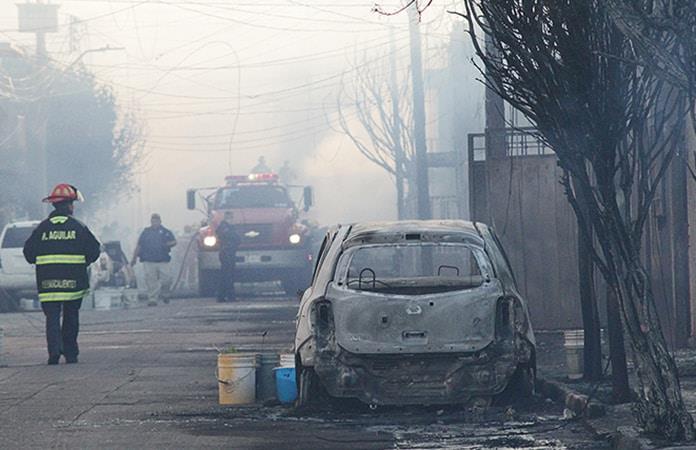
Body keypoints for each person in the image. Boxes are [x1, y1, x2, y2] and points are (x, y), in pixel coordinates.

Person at [23, 184, 101, 365]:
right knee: (71, 316)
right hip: (73, 283)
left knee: (51, 317)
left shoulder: (41, 228)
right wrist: (83, 261)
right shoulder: (79, 227)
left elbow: (28, 253)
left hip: (48, 283)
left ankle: (54, 352)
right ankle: (71, 353)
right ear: (69, 206)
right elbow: (94, 250)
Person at [131, 213, 177, 306]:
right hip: (149, 260)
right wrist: (134, 258)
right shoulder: (146, 232)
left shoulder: (166, 232)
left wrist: (166, 244)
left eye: (156, 221)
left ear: (160, 221)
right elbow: (139, 245)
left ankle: (165, 294)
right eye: (153, 221)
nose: (154, 223)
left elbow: (174, 241)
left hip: (163, 260)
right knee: (151, 281)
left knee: (167, 279)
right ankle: (152, 299)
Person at [216, 211, 241, 302]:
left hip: (230, 252)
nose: (231, 219)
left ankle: (223, 296)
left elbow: (237, 239)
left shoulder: (230, 227)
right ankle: (228, 296)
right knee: (227, 275)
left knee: (228, 275)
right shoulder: (223, 227)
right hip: (226, 253)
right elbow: (234, 237)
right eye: (230, 217)